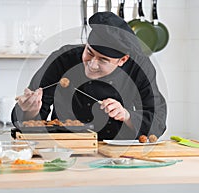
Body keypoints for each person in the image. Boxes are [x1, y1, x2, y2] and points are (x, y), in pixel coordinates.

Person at [12, 12, 167, 140]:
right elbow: (28, 120)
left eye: (103, 60)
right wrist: (29, 110)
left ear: (122, 60)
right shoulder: (62, 59)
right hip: (66, 146)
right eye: (89, 53)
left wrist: (126, 115)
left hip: (118, 151)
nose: (92, 64)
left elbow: (157, 120)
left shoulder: (139, 67)